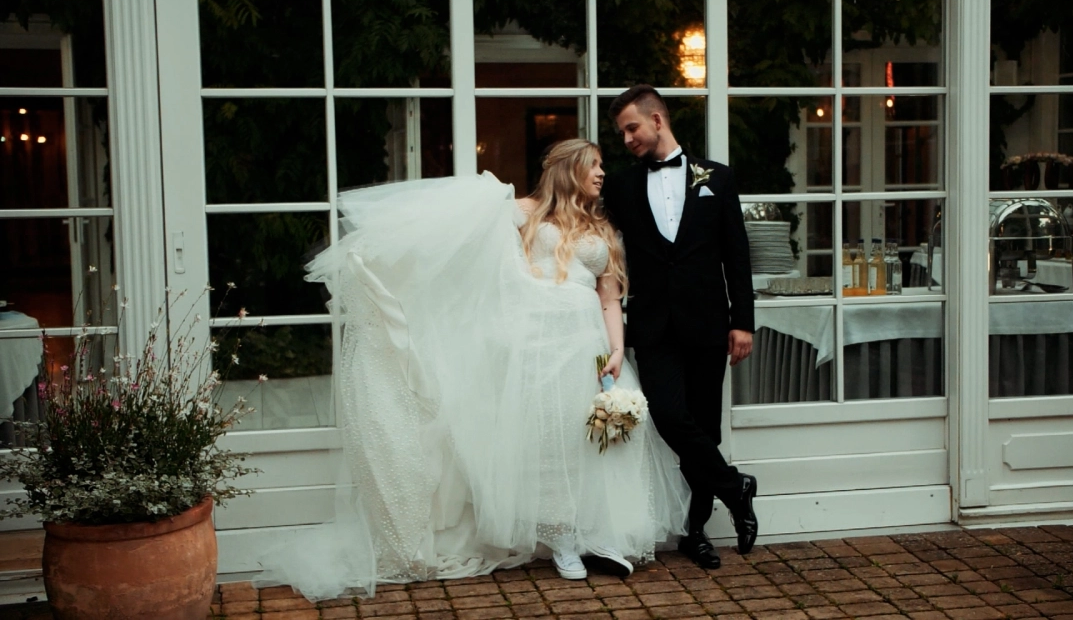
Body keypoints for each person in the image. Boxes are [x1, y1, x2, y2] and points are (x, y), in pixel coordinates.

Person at [254, 139, 689, 600]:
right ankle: (561, 538)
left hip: (587, 344)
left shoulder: (603, 227)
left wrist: (616, 349)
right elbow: (465, 243)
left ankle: (597, 532)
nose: (602, 173)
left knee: (593, 438)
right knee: (546, 436)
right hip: (534, 341)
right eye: (594, 164)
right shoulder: (523, 212)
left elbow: (608, 297)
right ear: (567, 169)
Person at [601, 84, 758, 570]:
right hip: (653, 326)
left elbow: (737, 256)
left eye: (631, 128)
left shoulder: (718, 178)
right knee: (669, 416)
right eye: (622, 132)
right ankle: (736, 487)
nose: (627, 139)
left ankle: (696, 532)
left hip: (709, 323)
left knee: (705, 426)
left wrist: (743, 322)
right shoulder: (620, 186)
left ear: (657, 120)